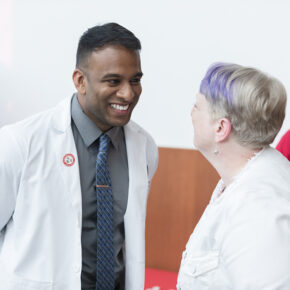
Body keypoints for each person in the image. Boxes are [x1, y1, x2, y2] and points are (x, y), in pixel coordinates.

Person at [0, 23, 158, 290]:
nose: (128, 93)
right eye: (113, 81)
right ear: (80, 81)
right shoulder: (20, 142)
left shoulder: (144, 148)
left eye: (135, 80)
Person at [177, 63, 290, 289]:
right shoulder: (242, 176)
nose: (191, 112)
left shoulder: (259, 209)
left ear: (220, 128)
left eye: (197, 106)